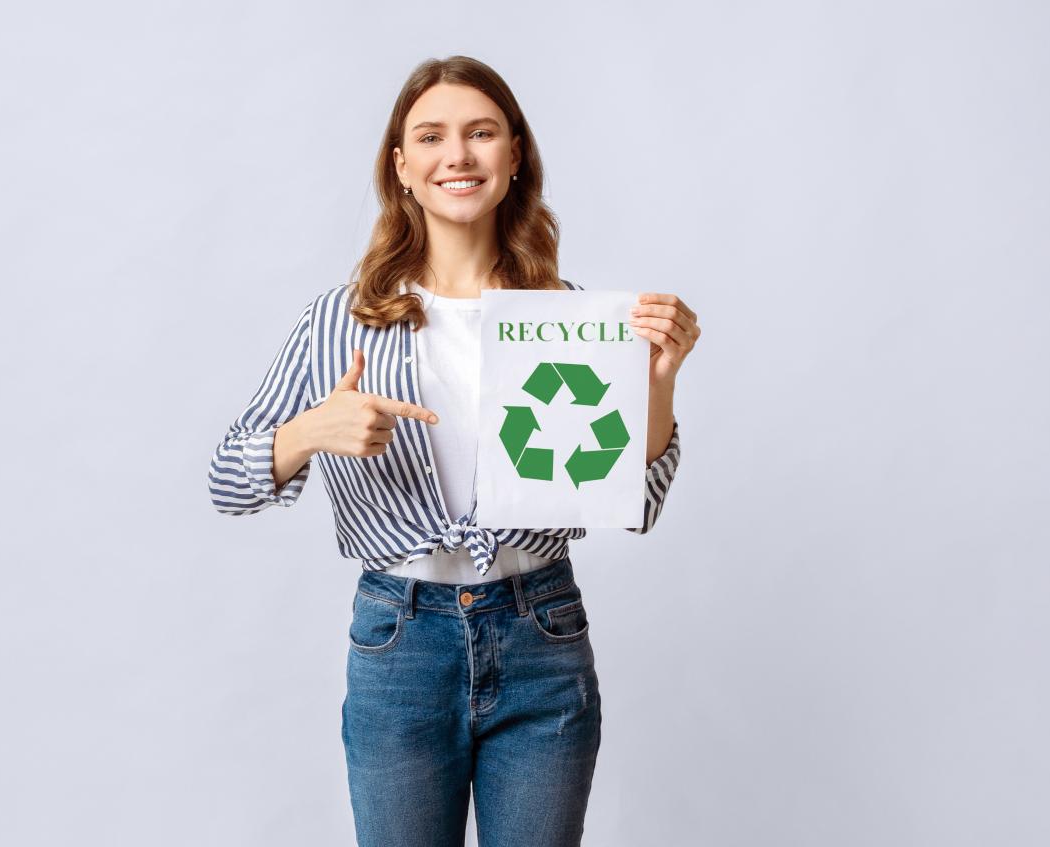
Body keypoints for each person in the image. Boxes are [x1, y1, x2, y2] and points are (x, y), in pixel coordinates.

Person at [207, 55, 700, 847]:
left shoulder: (572, 318)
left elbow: (633, 505)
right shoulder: (341, 322)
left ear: (514, 158)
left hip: (541, 632)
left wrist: (661, 384)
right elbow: (227, 480)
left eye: (481, 133)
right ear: (402, 168)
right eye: (431, 137)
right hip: (400, 643)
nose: (457, 156)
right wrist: (310, 432)